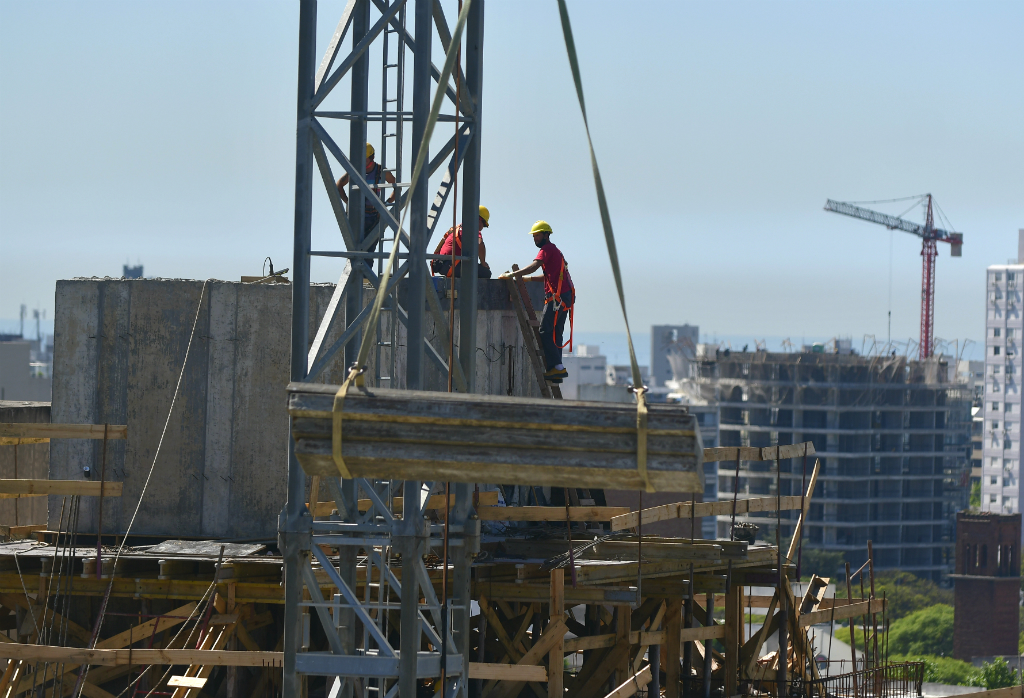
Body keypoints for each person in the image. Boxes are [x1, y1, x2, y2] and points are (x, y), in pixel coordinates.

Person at [500, 220, 574, 382]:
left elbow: (534, 266)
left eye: (538, 235)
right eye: (534, 236)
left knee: (545, 331)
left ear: (546, 235)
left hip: (557, 298)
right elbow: (548, 276)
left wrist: (512, 275)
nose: (535, 238)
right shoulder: (555, 251)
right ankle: (557, 369)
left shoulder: (546, 249)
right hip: (565, 297)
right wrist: (528, 279)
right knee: (555, 333)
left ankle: (557, 367)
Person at [336, 143, 397, 236]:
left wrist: (387, 203)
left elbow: (397, 187)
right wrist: (348, 202)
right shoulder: (355, 170)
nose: (362, 162)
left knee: (370, 244)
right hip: (356, 216)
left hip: (374, 217)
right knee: (355, 243)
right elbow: (339, 185)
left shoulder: (380, 171)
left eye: (365, 159)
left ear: (371, 158)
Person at [431, 206, 492, 278]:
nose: (482, 228)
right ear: (479, 220)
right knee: (486, 273)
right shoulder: (472, 229)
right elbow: (480, 244)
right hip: (452, 266)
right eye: (484, 225)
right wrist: (483, 263)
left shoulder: (456, 228)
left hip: (440, 265)